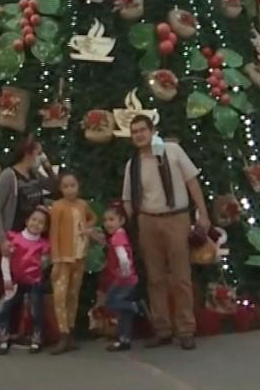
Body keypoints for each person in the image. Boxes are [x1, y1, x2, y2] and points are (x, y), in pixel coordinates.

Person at [121, 114, 210, 351]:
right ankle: (162, 329)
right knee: (155, 278)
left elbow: (192, 182)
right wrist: (132, 223)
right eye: (134, 132)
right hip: (148, 220)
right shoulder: (133, 164)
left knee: (181, 276)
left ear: (152, 131)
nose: (139, 135)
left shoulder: (172, 151)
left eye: (142, 130)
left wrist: (203, 213)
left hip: (176, 218)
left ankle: (186, 329)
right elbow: (128, 198)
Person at [0, 136, 56, 356]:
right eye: (38, 152)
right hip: (9, 238)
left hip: (28, 240)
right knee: (1, 283)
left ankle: (11, 331)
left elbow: (55, 187)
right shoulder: (9, 176)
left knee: (21, 285)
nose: (40, 156)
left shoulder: (34, 175)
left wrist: (46, 165)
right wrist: (2, 239)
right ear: (28, 153)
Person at [47, 171, 95, 354]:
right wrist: (56, 259)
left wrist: (87, 228)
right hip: (63, 258)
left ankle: (71, 332)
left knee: (73, 295)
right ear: (60, 189)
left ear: (78, 186)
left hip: (79, 255)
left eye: (72, 185)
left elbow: (92, 217)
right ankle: (63, 333)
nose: (69, 190)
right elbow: (54, 234)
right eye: (65, 186)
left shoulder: (83, 205)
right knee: (60, 295)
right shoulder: (57, 207)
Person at [0, 206, 51, 355]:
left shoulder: (44, 244)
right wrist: (7, 278)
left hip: (35, 282)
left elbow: (45, 262)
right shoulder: (14, 239)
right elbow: (5, 259)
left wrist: (43, 264)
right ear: (27, 221)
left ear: (45, 227)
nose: (36, 224)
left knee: (36, 310)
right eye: (34, 219)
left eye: (41, 222)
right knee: (4, 307)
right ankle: (4, 338)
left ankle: (37, 339)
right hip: (15, 281)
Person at [100, 205, 139, 353]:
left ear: (121, 221)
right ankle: (124, 339)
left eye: (112, 219)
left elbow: (123, 257)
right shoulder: (120, 235)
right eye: (105, 220)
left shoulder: (117, 237)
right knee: (123, 313)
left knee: (111, 302)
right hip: (128, 279)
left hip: (124, 280)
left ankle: (134, 306)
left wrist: (125, 271)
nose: (108, 223)